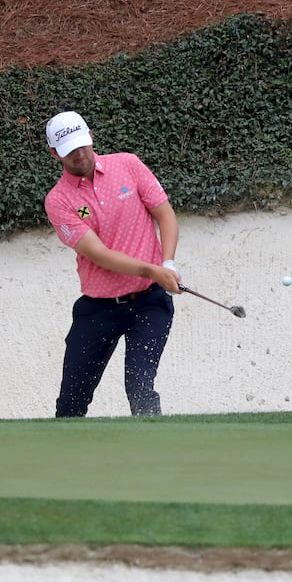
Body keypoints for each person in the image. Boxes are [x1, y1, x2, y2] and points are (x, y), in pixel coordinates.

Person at [43, 110, 183, 418]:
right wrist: (152, 269)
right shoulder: (59, 200)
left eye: (82, 144)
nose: (79, 154)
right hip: (98, 308)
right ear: (55, 154)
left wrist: (168, 262)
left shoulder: (128, 165)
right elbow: (98, 254)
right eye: (69, 151)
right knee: (71, 403)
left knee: (140, 388)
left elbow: (165, 213)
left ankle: (155, 460)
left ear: (91, 137)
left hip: (149, 303)